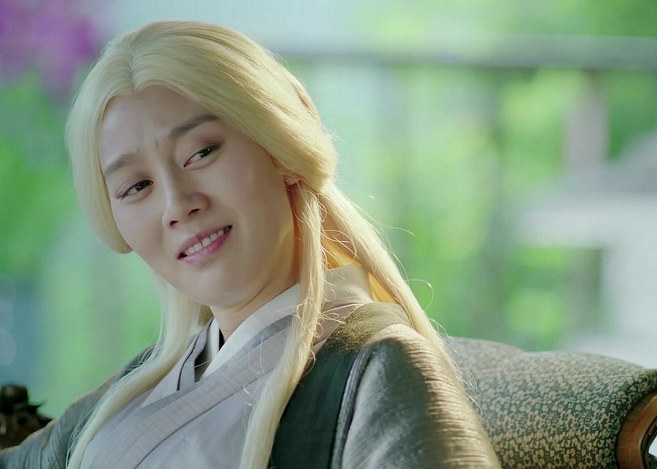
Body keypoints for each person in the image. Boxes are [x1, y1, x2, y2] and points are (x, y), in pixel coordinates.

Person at [0, 20, 500, 468]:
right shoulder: (138, 388)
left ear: (280, 148)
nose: (177, 204)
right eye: (137, 186)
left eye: (201, 152)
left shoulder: (376, 369)